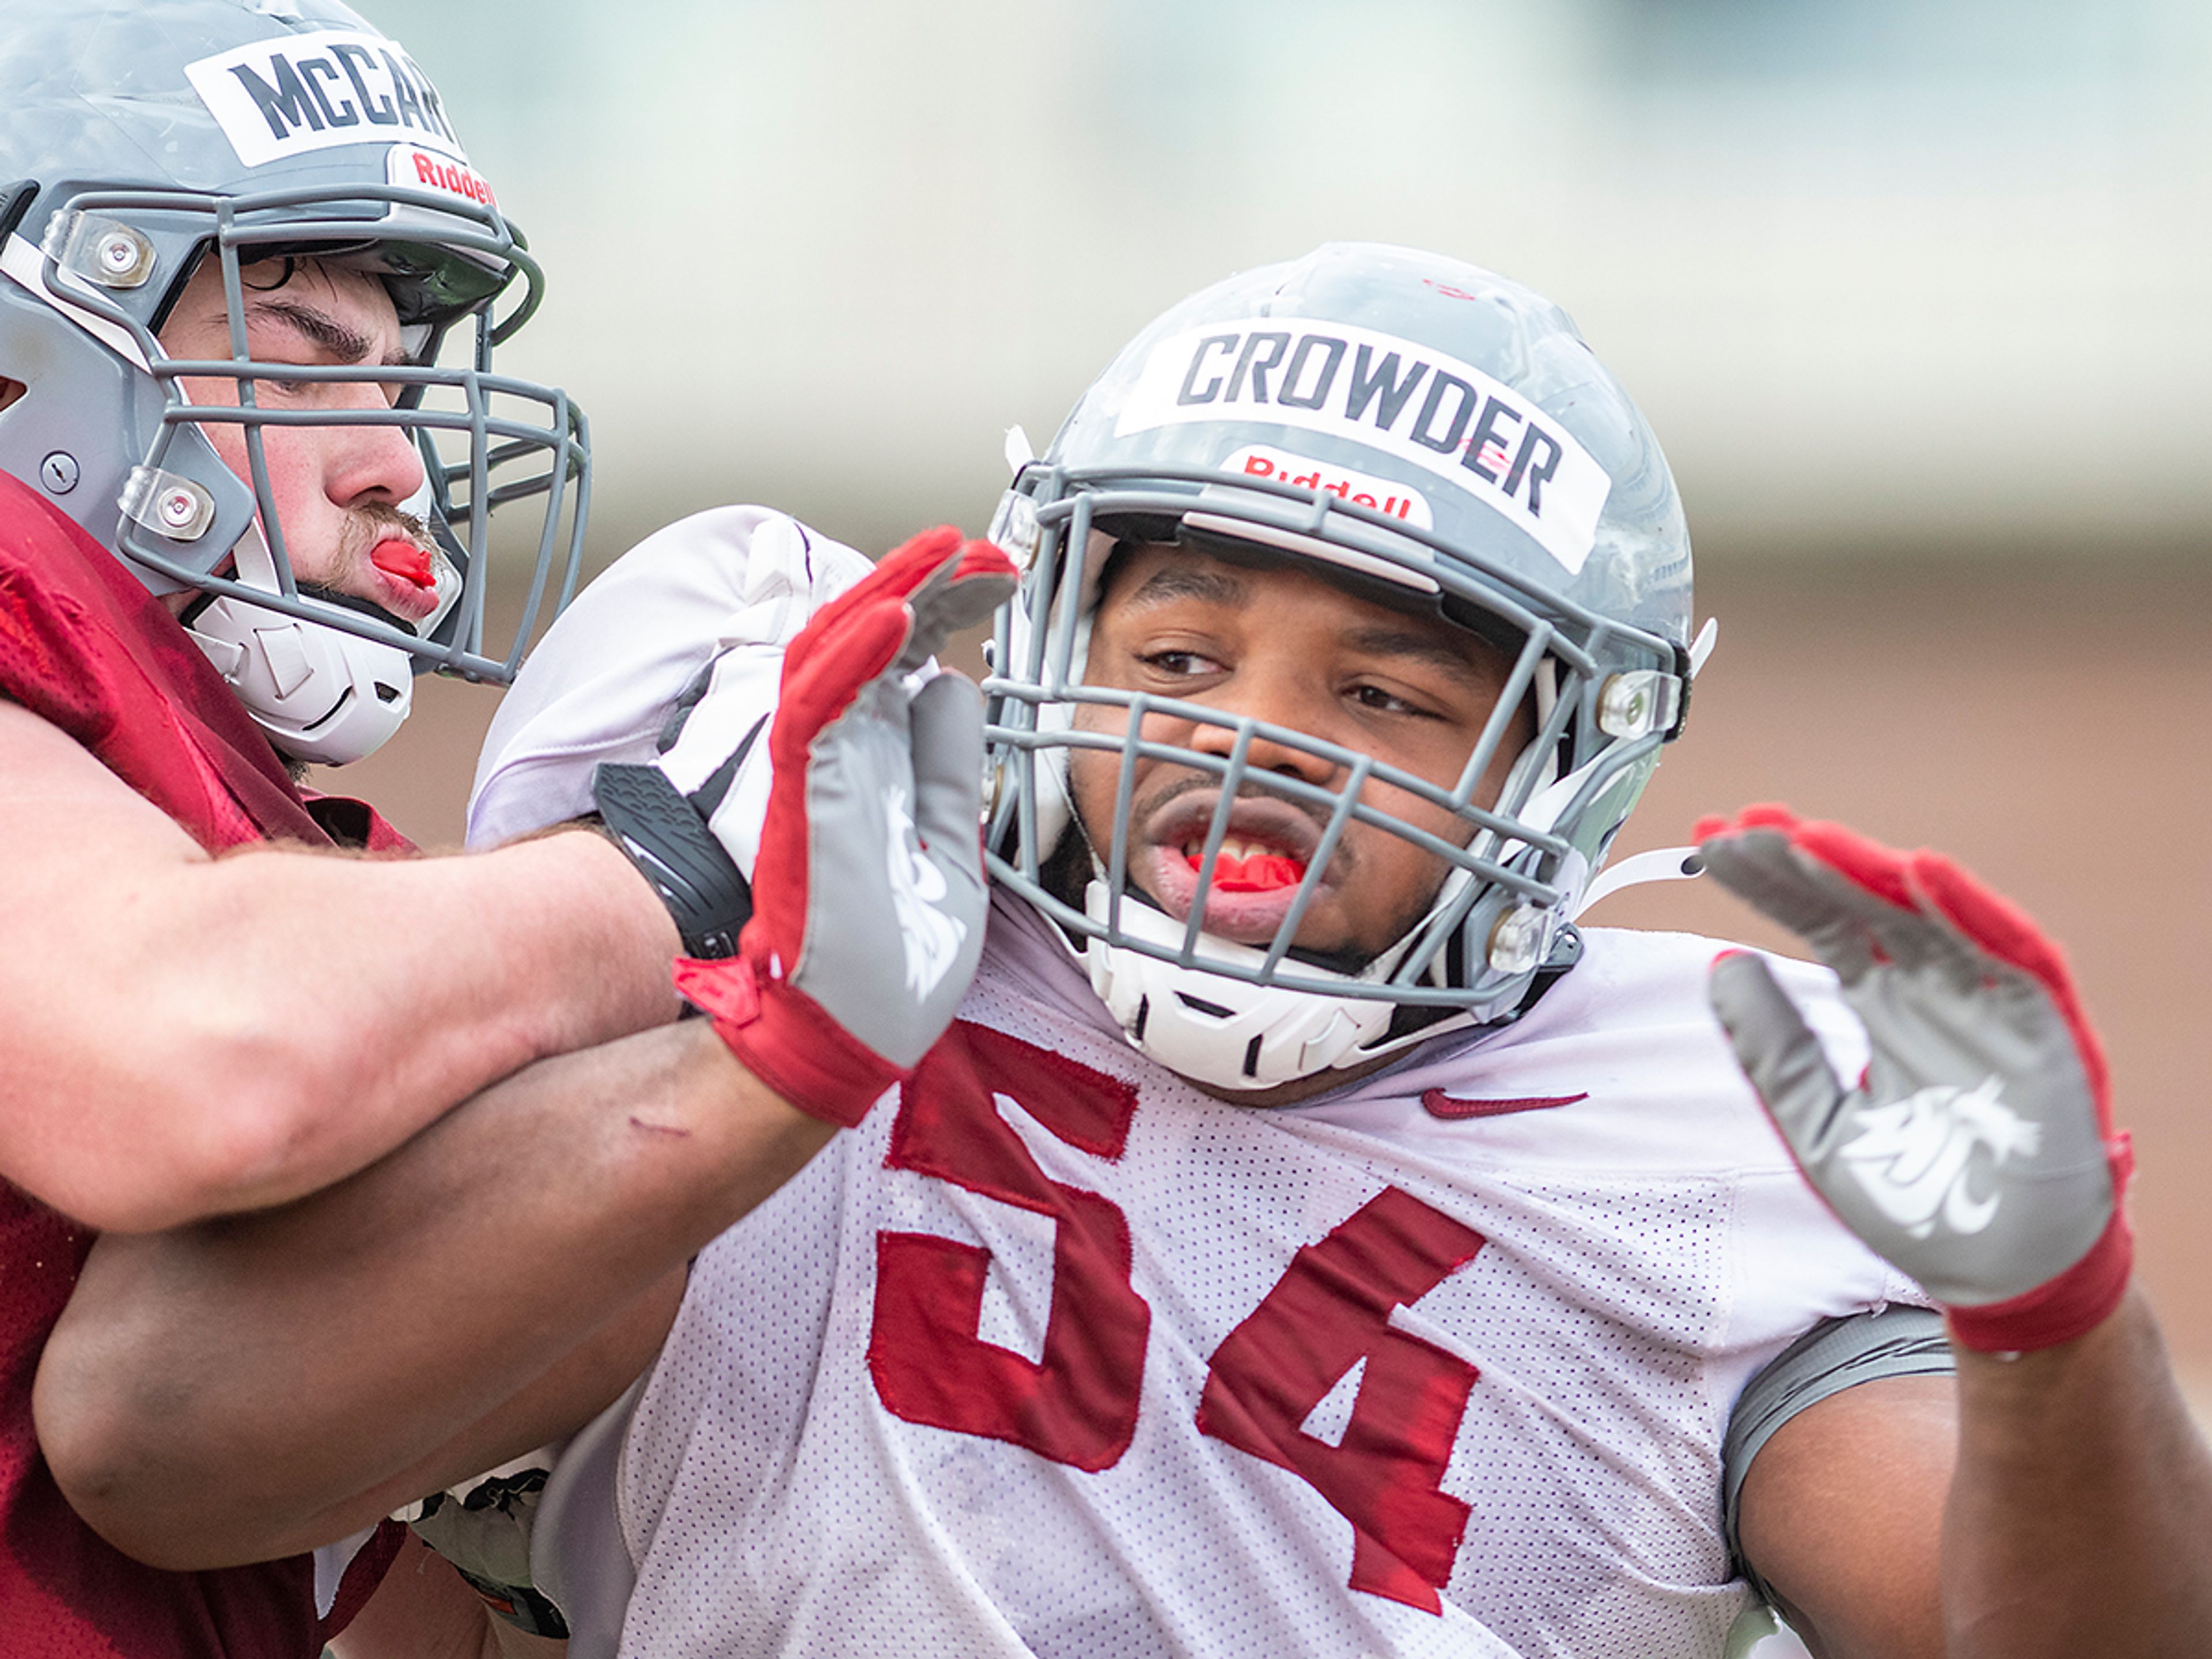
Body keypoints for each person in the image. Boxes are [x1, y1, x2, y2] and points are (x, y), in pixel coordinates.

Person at [37, 244, 2212, 1658]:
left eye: (1386, 698)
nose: (1257, 751)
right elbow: (159, 1443)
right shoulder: (858, 887)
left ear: (1562, 763)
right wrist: (771, 1061)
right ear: (1052, 628)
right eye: (1182, 653)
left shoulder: (1703, 1119)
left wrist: (2055, 1316)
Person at [0, 2, 1006, 1652]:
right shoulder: (201, 923)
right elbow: (195, 1052)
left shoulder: (274, 865)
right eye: (313, 355)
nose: (401, 463)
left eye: (398, 382)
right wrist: (683, 864)